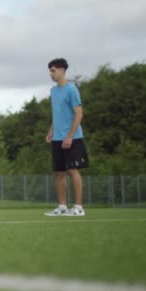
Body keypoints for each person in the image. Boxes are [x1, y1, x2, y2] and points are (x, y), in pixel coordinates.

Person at [44, 58, 89, 217]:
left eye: (53, 70)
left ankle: (78, 207)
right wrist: (51, 130)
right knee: (59, 172)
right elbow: (57, 114)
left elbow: (79, 114)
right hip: (57, 138)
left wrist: (69, 136)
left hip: (72, 138)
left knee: (73, 170)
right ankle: (62, 207)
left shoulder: (72, 89)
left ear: (62, 70)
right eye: (49, 70)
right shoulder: (53, 91)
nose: (50, 73)